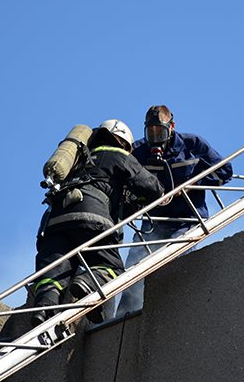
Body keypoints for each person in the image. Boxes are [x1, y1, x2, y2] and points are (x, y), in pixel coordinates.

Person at [31, 119, 164, 327]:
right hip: (90, 216)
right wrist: (161, 195)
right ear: (123, 142)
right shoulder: (118, 154)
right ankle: (87, 283)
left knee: (55, 270)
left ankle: (44, 308)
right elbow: (151, 187)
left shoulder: (77, 159)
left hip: (54, 221)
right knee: (111, 267)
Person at [113, 105, 233, 318]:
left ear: (171, 127)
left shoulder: (192, 145)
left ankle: (168, 312)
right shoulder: (138, 152)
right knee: (133, 268)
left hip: (188, 220)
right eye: (151, 133)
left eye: (160, 132)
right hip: (153, 224)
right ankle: (124, 319)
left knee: (171, 260)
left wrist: (191, 185)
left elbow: (225, 171)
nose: (155, 138)